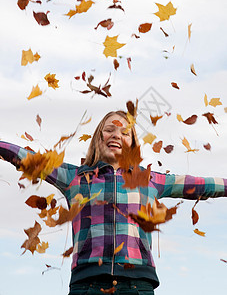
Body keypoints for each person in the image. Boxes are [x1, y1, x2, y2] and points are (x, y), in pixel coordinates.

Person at [0, 110, 227, 295]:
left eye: (125, 133)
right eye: (109, 130)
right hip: (87, 284)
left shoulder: (149, 180)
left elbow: (196, 184)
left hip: (138, 284)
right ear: (98, 140)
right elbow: (27, 157)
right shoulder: (74, 177)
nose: (116, 135)